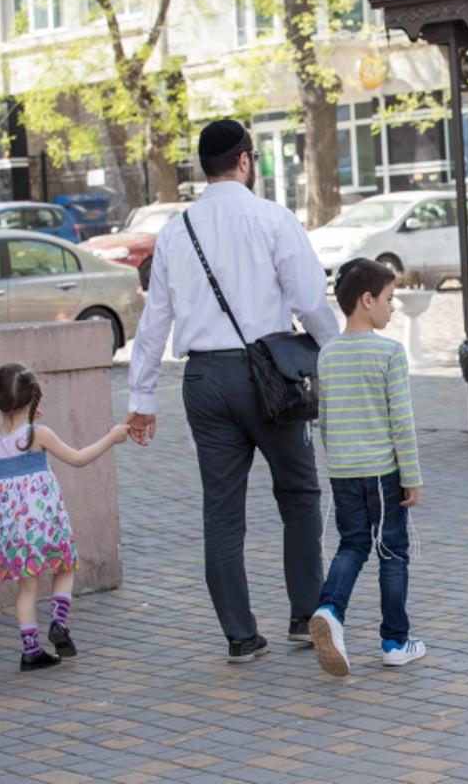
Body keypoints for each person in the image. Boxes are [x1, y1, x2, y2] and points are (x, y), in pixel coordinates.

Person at [125, 119, 341, 663]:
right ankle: (303, 615)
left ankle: (240, 637)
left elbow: (155, 321)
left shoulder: (177, 231)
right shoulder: (272, 218)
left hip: (203, 380)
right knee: (299, 494)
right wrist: (337, 354)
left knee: (221, 510)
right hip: (272, 375)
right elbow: (311, 299)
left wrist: (140, 399)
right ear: (246, 160)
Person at [308, 258, 425, 676]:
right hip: (382, 473)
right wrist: (411, 477)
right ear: (367, 299)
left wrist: (336, 462)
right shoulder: (389, 353)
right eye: (390, 299)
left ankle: (329, 610)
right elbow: (402, 422)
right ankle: (395, 640)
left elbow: (326, 422)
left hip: (342, 472)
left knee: (352, 545)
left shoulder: (327, 355)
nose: (392, 308)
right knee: (392, 552)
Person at [0, 362, 130, 671]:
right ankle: (59, 622)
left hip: (9, 523)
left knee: (27, 587)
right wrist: (111, 437)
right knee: (64, 567)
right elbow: (77, 459)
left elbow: (15, 437)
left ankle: (31, 651)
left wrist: (22, 416)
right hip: (41, 518)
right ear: (33, 397)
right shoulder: (39, 433)